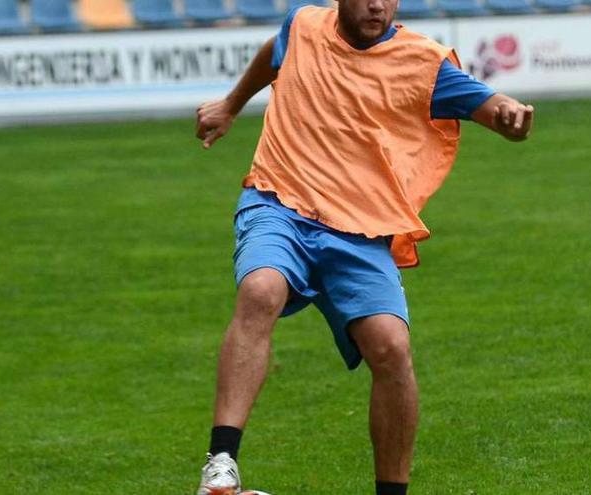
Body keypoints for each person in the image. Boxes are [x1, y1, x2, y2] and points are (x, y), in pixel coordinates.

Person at [193, 0, 534, 492]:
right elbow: (275, 53)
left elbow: (492, 107)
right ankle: (221, 466)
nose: (377, 4)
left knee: (392, 348)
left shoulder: (426, 62)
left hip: (359, 228)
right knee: (261, 290)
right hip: (279, 202)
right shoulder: (304, 24)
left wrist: (509, 117)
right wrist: (230, 104)